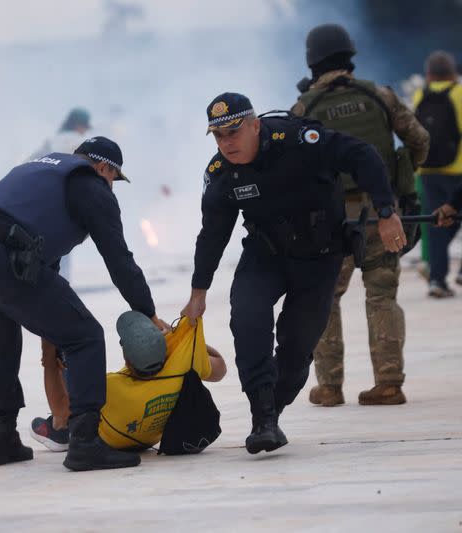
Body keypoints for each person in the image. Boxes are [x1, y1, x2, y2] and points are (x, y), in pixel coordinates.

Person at [180, 92, 406, 454]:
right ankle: (262, 418)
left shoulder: (298, 140)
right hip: (265, 255)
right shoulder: (222, 174)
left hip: (319, 256)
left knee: (297, 347)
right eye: (219, 136)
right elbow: (213, 234)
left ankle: (273, 409)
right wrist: (198, 290)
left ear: (255, 126)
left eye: (234, 132)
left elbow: (361, 154)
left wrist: (385, 211)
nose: (227, 143)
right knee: (248, 319)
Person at [0, 136, 170, 471]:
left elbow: (36, 247)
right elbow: (119, 259)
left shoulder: (43, 169)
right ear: (105, 168)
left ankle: (1, 437)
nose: (112, 186)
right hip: (0, 258)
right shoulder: (91, 186)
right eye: (114, 179)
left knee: (3, 340)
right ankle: (84, 444)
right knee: (85, 335)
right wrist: (148, 312)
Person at [292, 23, 430, 407]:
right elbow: (419, 141)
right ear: (350, 55)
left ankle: (330, 387)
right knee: (382, 295)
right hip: (384, 212)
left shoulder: (305, 108)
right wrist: (406, 178)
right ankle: (389, 383)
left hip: (333, 219)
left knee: (325, 299)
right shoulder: (380, 95)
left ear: (313, 60)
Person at [30, 311, 226, 452]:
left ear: (127, 360)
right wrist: (181, 343)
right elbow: (221, 369)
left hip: (113, 440)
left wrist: (48, 359)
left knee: (68, 366)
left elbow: (62, 411)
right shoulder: (182, 367)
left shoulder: (110, 387)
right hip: (151, 436)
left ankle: (58, 433)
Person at [27, 108, 93, 435]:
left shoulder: (51, 140)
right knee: (82, 335)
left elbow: (27, 164)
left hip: (36, 215)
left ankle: (61, 419)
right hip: (62, 212)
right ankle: (73, 424)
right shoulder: (80, 142)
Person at [413, 50, 462, 297]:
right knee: (456, 217)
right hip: (457, 169)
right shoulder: (459, 93)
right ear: (453, 72)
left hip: (428, 171)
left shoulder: (420, 94)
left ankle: (437, 280)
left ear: (429, 74)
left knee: (436, 223)